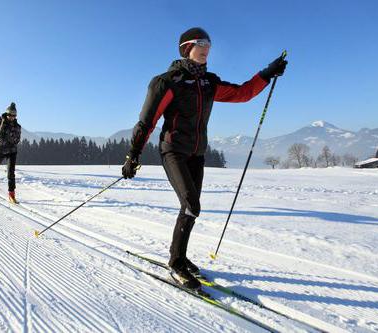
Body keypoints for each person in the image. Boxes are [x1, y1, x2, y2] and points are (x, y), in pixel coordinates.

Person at [122, 27, 287, 289]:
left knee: (191, 208)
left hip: (197, 154)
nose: (207, 48)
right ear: (187, 47)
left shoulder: (208, 83)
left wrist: (267, 73)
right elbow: (147, 122)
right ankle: (175, 263)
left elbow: (242, 93)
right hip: (173, 150)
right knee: (191, 205)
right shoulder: (167, 82)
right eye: (201, 43)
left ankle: (182, 257)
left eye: (209, 43)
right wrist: (133, 155)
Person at [0, 102, 22, 203]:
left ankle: (11, 194)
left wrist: (10, 139)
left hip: (12, 151)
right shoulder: (2, 122)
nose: (11, 117)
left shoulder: (17, 126)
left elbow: (17, 139)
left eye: (13, 115)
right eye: (9, 115)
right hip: (1, 149)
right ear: (6, 114)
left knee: (11, 173)